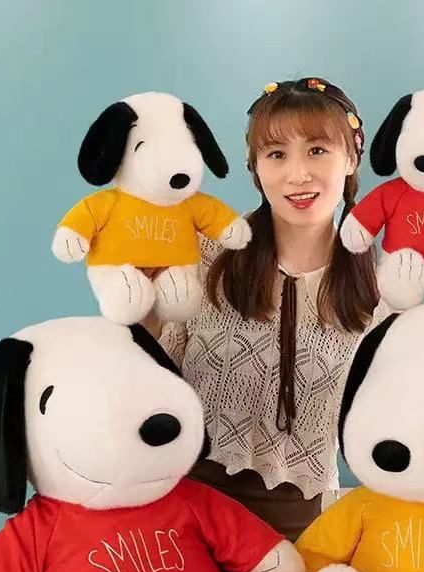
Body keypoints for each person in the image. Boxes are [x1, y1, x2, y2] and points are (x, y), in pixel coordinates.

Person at [153, 76, 389, 541]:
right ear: (256, 168)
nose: (297, 175)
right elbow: (148, 370)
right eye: (276, 154)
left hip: (303, 522)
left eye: (317, 150)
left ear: (351, 158)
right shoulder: (207, 255)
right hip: (186, 508)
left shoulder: (382, 292)